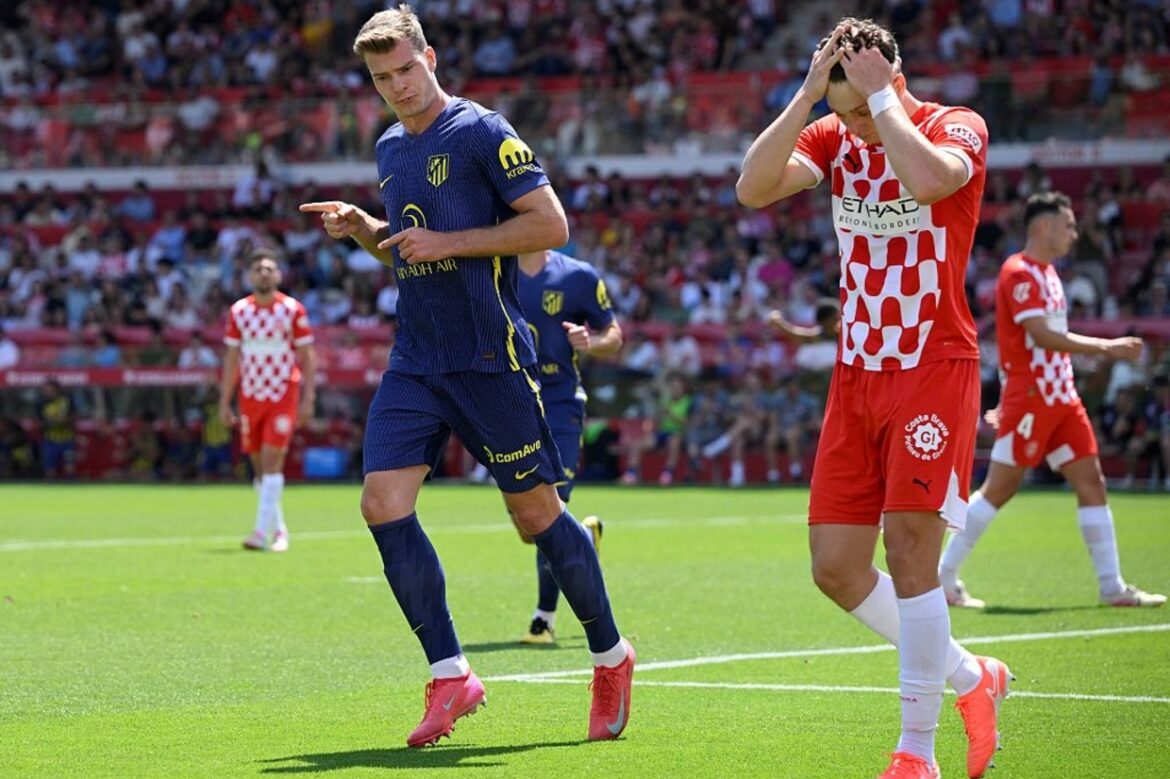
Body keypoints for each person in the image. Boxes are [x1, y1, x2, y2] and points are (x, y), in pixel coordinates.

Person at [298, 5, 634, 749]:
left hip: (490, 357)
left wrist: (450, 239)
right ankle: (451, 672)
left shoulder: (484, 131)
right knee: (382, 503)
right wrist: (366, 231)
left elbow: (549, 226)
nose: (397, 88)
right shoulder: (389, 146)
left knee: (536, 518)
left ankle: (611, 654)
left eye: (405, 71)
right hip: (417, 358)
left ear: (431, 57)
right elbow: (413, 249)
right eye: (382, 79)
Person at [738, 18, 1008, 779]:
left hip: (934, 360)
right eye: (842, 109)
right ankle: (970, 674)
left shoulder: (953, 125)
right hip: (858, 368)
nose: (850, 123)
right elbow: (751, 187)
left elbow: (928, 182)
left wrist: (879, 101)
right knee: (835, 566)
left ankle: (914, 753)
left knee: (912, 552)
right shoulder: (832, 136)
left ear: (892, 81)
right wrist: (807, 97)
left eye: (859, 106)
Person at [939, 192, 1165, 610]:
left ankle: (1111, 586)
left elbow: (1049, 340)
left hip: (1062, 397)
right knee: (999, 490)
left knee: (1091, 482)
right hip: (1031, 397)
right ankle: (943, 576)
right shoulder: (1018, 272)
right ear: (1043, 226)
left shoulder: (1049, 274)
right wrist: (1106, 348)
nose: (1074, 233)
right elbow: (1041, 335)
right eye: (1068, 225)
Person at [511, 248, 623, 644]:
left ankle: (544, 618)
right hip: (507, 404)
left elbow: (614, 336)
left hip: (559, 402)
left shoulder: (577, 276)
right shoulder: (491, 266)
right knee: (528, 525)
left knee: (548, 511)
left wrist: (590, 341)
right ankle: (584, 538)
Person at [218, 250, 317, 553]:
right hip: (251, 394)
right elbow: (232, 359)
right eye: (258, 268)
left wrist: (308, 398)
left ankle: (260, 532)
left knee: (273, 461)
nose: (264, 273)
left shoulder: (292, 310)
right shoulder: (239, 312)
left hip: (282, 391)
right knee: (260, 468)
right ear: (250, 276)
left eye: (269, 268)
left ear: (278, 275)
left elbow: (307, 356)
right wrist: (224, 401)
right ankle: (281, 531)